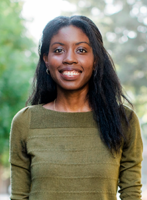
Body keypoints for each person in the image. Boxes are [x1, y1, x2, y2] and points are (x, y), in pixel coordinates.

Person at [9, 15, 143, 200]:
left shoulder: (123, 120)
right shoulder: (25, 122)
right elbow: (18, 197)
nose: (69, 59)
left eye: (81, 50)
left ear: (95, 59)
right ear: (46, 59)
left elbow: (131, 194)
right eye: (58, 50)